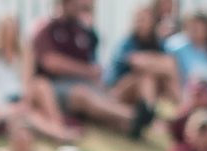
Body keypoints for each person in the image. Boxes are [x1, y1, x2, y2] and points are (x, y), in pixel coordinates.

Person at [35, 0, 144, 135]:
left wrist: (93, 77)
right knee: (83, 94)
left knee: (109, 95)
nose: (78, 8)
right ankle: (133, 116)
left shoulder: (81, 31)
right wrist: (85, 71)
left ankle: (131, 124)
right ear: (64, 4)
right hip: (57, 86)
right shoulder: (48, 29)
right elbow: (51, 63)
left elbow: (91, 64)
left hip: (86, 83)